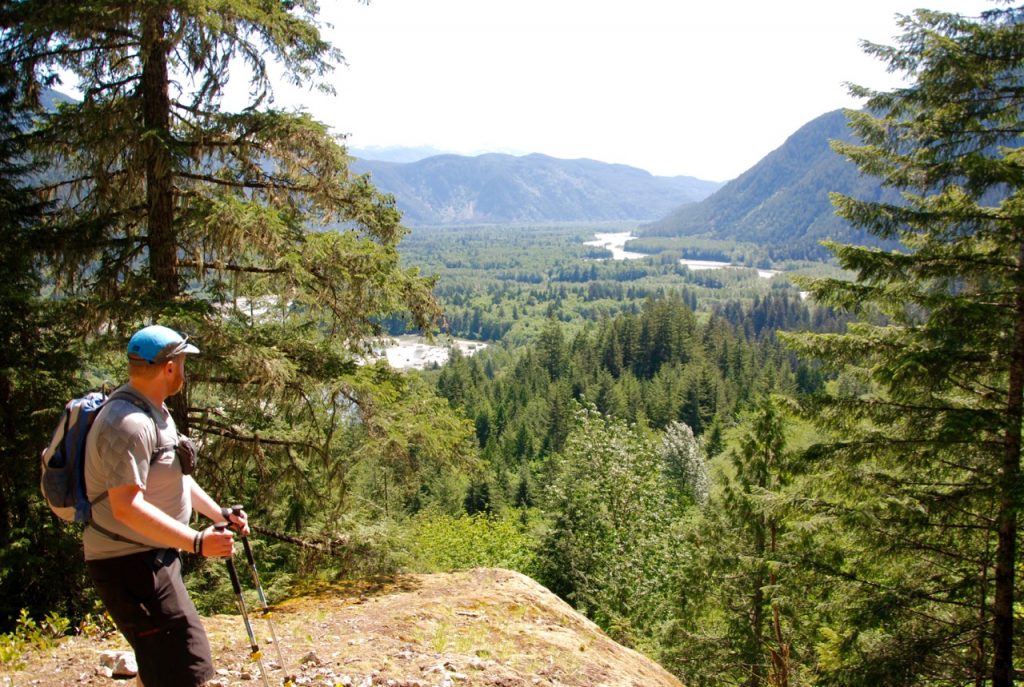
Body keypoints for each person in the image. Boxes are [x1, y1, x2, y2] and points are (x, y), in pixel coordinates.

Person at [84, 324, 249, 687]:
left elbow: (176, 479)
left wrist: (218, 514)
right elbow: (126, 507)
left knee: (161, 663)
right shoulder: (125, 424)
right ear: (170, 367)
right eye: (183, 363)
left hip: (151, 557)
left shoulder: (155, 412)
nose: (184, 372)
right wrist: (195, 541)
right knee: (186, 664)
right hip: (129, 564)